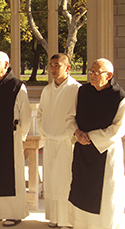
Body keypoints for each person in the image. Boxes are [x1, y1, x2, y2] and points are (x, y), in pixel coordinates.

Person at [66, 58, 125, 229]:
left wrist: (91, 137)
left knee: (105, 193)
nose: (92, 75)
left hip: (106, 151)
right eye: (91, 71)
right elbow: (70, 116)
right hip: (82, 149)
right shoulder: (83, 91)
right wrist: (77, 133)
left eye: (97, 72)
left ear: (108, 75)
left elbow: (118, 129)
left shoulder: (119, 97)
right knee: (82, 189)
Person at [0, 51, 31, 227]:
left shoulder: (17, 86)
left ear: (6, 64)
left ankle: (14, 213)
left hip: (11, 136)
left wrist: (20, 136)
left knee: (12, 174)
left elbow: (25, 115)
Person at [37, 53, 81, 229]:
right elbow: (40, 113)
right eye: (51, 66)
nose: (53, 69)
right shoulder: (47, 90)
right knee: (51, 180)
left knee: (65, 181)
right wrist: (44, 130)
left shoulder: (76, 88)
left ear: (67, 67)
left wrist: (69, 135)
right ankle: (54, 218)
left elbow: (78, 115)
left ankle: (67, 220)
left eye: (57, 65)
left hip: (66, 142)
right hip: (50, 141)